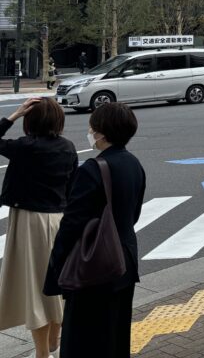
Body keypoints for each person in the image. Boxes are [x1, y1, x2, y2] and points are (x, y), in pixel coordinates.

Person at [44, 102, 146, 357]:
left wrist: (56, 270)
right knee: (115, 335)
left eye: (92, 126)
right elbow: (133, 214)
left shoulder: (93, 169)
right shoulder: (134, 164)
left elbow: (71, 225)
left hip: (94, 267)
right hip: (124, 260)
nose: (90, 130)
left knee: (83, 339)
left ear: (101, 133)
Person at [0, 98, 78, 358]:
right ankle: (54, 342)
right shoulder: (68, 147)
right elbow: (72, 188)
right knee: (55, 284)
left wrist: (13, 115)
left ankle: (42, 354)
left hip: (29, 221)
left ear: (30, 120)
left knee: (35, 290)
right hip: (58, 219)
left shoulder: (26, 147)